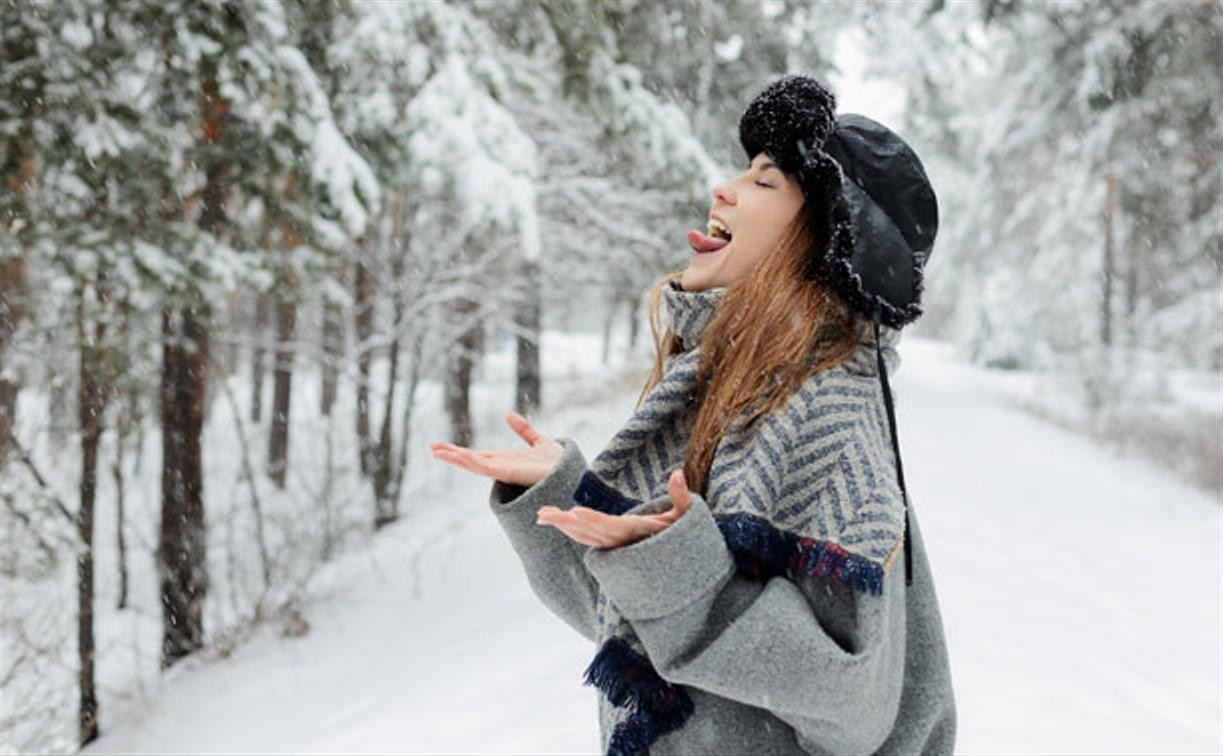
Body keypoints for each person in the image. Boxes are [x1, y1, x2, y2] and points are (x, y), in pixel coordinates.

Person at [430, 74, 956, 756]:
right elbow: (631, 625)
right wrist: (554, 496)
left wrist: (677, 569)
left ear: (824, 244)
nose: (723, 189)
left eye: (765, 182)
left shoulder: (824, 410)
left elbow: (852, 706)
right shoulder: (717, 390)